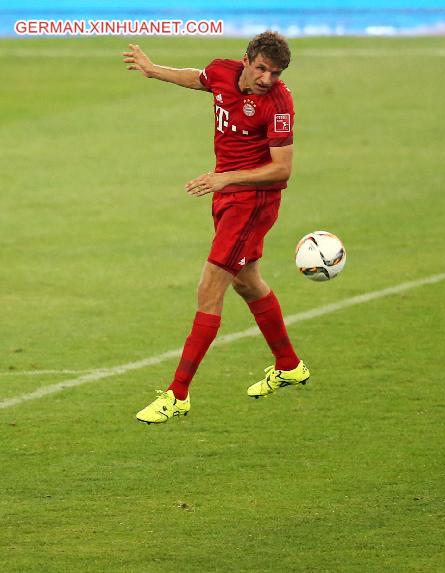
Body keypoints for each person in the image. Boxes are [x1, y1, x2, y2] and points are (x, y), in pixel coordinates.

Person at [123, 32, 310, 424]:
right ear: (246, 60)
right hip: (226, 195)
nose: (267, 79)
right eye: (261, 69)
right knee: (246, 280)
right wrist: (154, 70)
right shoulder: (224, 72)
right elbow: (199, 78)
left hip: (252, 201)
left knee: (210, 286)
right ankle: (289, 365)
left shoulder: (278, 104)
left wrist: (227, 179)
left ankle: (178, 394)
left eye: (274, 73)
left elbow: (282, 168)